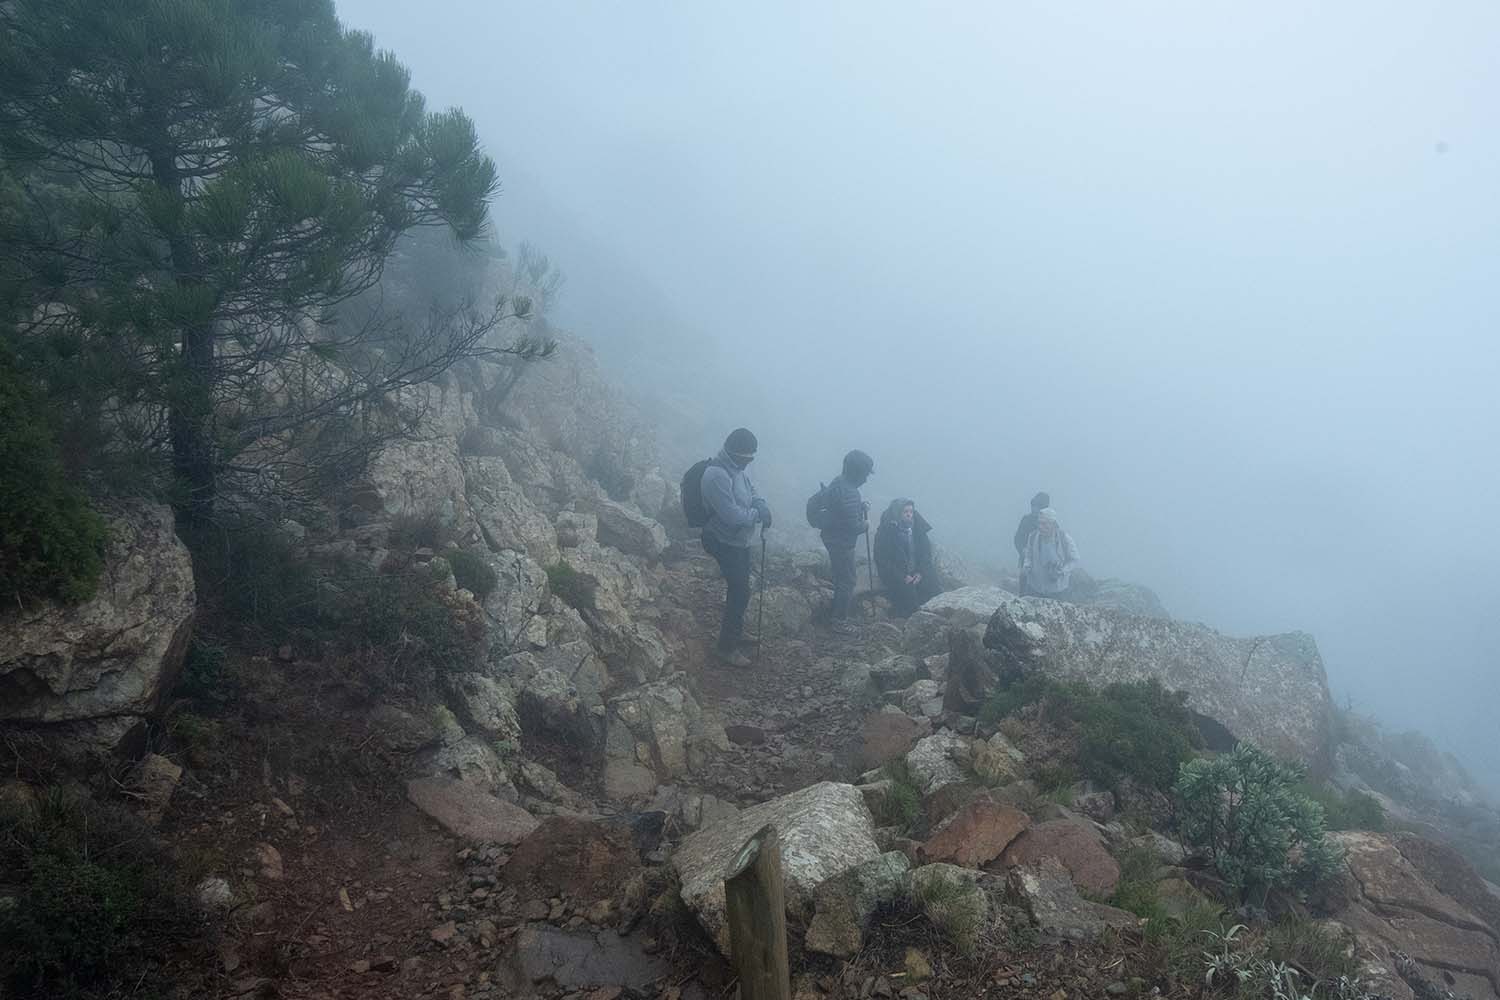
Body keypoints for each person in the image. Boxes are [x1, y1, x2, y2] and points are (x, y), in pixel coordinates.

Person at [700, 427, 771, 667]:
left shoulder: (736, 469)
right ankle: (726, 647)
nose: (749, 462)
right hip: (721, 540)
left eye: (752, 458)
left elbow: (751, 490)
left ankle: (735, 632)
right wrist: (757, 515)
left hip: (737, 541)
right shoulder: (716, 475)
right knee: (739, 590)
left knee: (742, 589)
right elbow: (731, 515)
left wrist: (760, 504)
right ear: (735, 453)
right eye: (747, 458)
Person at [820, 449, 873, 635]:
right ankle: (839, 621)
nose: (866, 479)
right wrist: (866, 524)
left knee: (840, 577)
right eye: (865, 474)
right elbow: (853, 526)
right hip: (842, 543)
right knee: (848, 581)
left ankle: (835, 612)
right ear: (857, 473)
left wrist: (859, 506)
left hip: (831, 537)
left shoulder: (838, 482)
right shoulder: (851, 492)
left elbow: (840, 510)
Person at [874, 498, 939, 616]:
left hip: (916, 571)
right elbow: (882, 560)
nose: (909, 515)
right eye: (905, 512)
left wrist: (920, 572)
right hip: (896, 573)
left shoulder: (918, 530)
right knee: (909, 597)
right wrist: (902, 576)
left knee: (933, 584)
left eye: (911, 511)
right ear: (897, 513)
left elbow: (925, 554)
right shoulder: (886, 532)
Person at [1021, 507, 1080, 599]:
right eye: (1039, 523)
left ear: (1053, 524)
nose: (1040, 527)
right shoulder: (1032, 537)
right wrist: (1027, 565)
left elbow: (1074, 559)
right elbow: (1028, 556)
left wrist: (1063, 571)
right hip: (1035, 588)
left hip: (1058, 590)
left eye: (1044, 524)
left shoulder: (1064, 538)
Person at [1013, 491, 1050, 596]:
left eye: (1037, 506)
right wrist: (1022, 550)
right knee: (1024, 590)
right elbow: (1017, 539)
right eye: (1033, 505)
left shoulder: (1051, 524)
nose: (1034, 508)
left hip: (1043, 565)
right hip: (1026, 561)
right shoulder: (1026, 520)